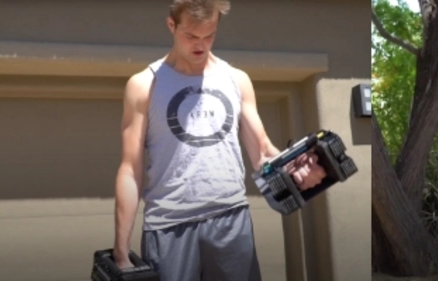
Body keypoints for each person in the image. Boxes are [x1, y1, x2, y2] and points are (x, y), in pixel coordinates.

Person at [112, 1, 326, 280]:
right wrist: (120, 249)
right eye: (191, 36)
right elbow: (131, 169)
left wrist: (298, 171)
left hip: (230, 220)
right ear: (171, 26)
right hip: (168, 225)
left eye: (209, 35)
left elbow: (262, 152)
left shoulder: (236, 80)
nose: (200, 45)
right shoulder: (143, 85)